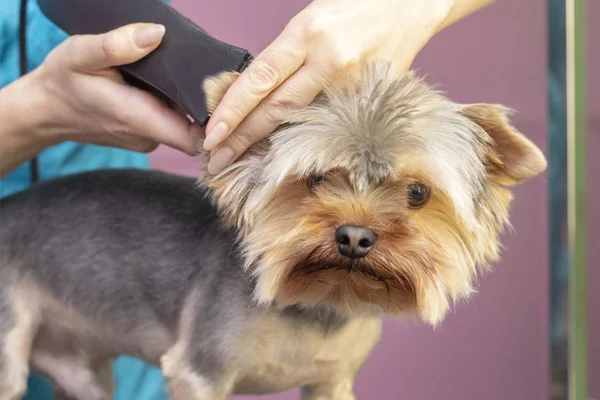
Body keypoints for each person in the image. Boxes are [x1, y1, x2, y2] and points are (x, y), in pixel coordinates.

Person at [0, 0, 494, 398]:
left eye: (413, 193)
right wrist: (32, 115)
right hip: (38, 257)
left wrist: (409, 6)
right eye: (319, 180)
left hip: (132, 328)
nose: (357, 228)